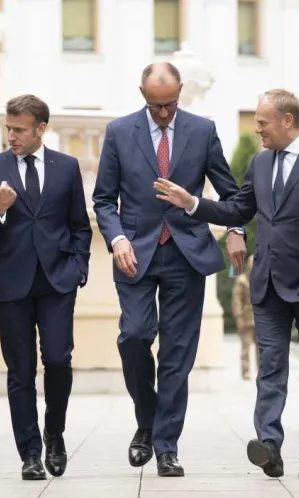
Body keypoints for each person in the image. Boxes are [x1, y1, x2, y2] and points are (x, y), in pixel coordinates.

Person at [153, 88, 299, 478]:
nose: (257, 129)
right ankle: (269, 445)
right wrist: (192, 203)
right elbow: (238, 209)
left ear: (287, 120)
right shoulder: (260, 162)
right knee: (270, 366)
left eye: (263, 122)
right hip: (267, 282)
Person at [92, 62, 245, 477]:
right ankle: (147, 419)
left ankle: (166, 447)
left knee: (177, 353)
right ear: (142, 94)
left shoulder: (202, 130)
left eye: (171, 105)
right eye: (156, 106)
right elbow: (103, 199)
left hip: (186, 252)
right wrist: (117, 239)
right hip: (134, 252)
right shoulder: (119, 132)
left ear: (179, 94)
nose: (164, 114)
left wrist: (235, 229)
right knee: (134, 336)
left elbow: (231, 194)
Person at [0, 95, 92, 480]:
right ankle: (31, 453)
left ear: (41, 129)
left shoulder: (67, 166)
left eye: (19, 130)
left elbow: (79, 225)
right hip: (12, 283)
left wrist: (79, 267)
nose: (12, 136)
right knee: (20, 371)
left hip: (58, 281)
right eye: (8, 128)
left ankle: (55, 434)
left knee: (57, 360)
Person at [233, 255, 259, 380]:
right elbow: (236, 300)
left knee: (262, 347)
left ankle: (262, 370)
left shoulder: (262, 278)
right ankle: (246, 371)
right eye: (252, 262)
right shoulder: (242, 280)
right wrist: (239, 317)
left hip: (260, 319)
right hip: (246, 318)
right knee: (246, 347)